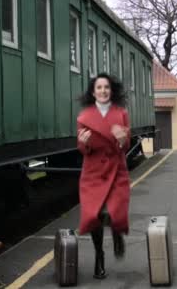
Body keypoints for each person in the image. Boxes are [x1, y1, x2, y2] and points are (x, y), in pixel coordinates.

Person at [76, 73, 131, 279]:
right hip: (93, 172)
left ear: (111, 91)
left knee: (117, 211)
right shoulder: (83, 117)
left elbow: (126, 146)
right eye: (99, 88)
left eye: (106, 87)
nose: (103, 91)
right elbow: (82, 149)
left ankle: (117, 234)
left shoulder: (122, 114)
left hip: (117, 169)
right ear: (93, 92)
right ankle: (99, 257)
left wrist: (121, 138)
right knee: (94, 216)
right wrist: (85, 143)